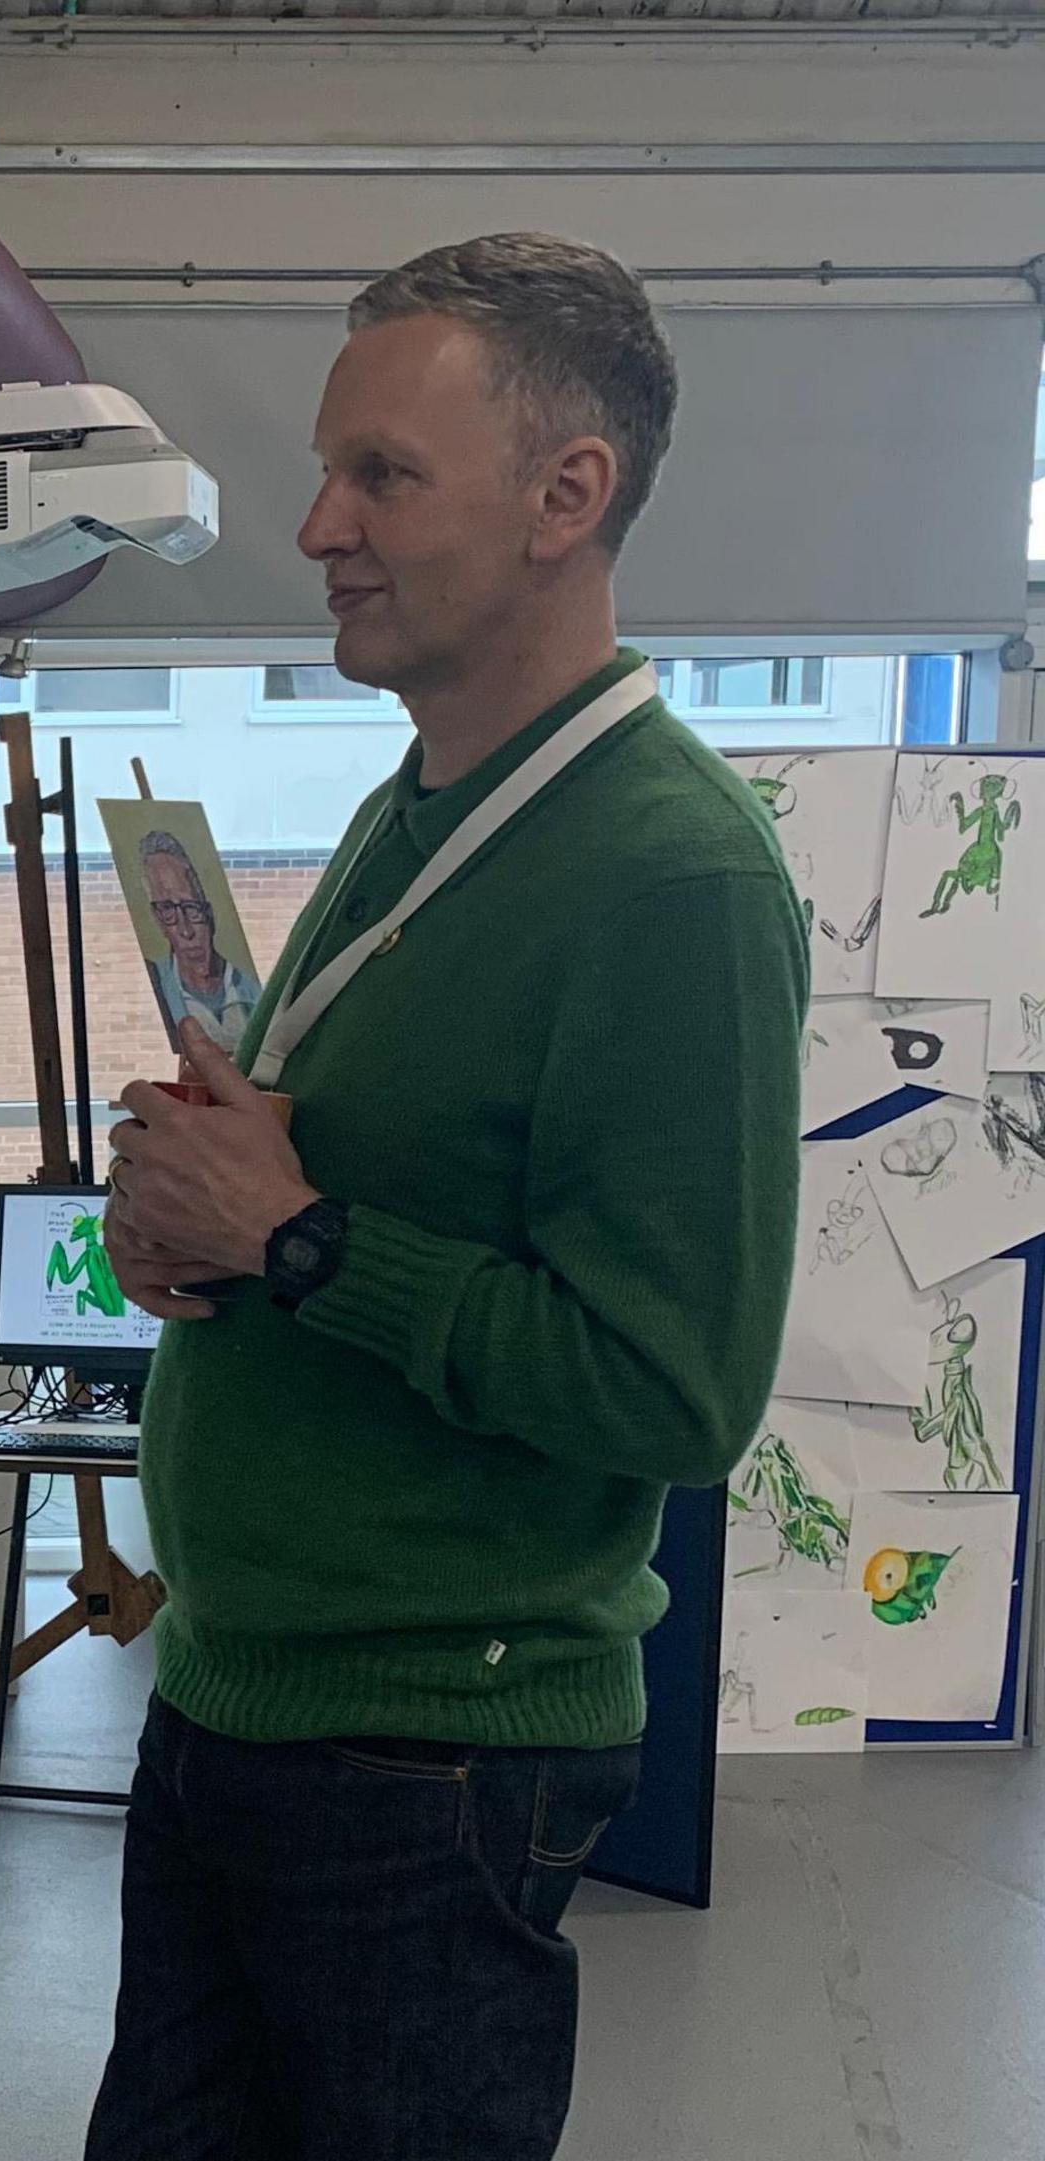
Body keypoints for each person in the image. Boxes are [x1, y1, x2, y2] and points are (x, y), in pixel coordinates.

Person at [86, 233, 806, 2161]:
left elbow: (673, 1391)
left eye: (382, 475)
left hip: (428, 1761)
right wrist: (192, 1230)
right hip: (242, 1698)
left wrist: (301, 1238)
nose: (317, 523)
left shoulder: (672, 877)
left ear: (569, 496)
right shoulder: (424, 802)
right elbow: (330, 1180)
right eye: (331, 469)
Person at [136, 828, 262, 1057]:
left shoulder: (249, 991)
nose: (185, 930)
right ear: (158, 920)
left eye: (191, 907)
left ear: (209, 913)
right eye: (167, 910)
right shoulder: (161, 986)